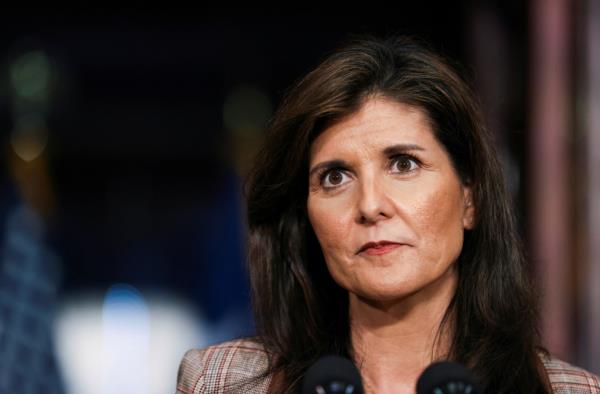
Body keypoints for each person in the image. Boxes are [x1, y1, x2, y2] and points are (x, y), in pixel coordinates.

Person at [176, 36, 600, 393]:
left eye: (403, 165)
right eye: (335, 177)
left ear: (469, 199)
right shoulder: (223, 381)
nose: (370, 206)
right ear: (306, 217)